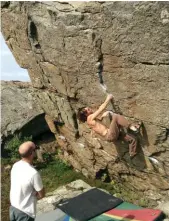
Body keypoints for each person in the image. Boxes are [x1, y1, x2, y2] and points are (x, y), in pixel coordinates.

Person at [77, 94, 142, 157]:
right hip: (110, 134)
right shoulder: (89, 118)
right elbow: (101, 109)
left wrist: (104, 115)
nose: (89, 109)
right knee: (116, 117)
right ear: (86, 114)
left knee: (133, 139)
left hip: (110, 136)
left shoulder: (90, 121)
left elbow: (99, 125)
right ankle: (133, 127)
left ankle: (132, 153)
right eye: (88, 109)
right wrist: (108, 98)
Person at [10, 141, 45, 221]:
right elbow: (42, 194)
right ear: (32, 153)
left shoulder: (16, 165)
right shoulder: (33, 173)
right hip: (25, 213)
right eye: (35, 149)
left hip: (13, 208)